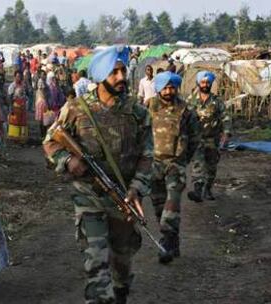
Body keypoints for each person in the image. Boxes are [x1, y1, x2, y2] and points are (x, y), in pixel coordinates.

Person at [44, 46, 153, 304]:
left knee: (122, 261)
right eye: (114, 72)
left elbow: (148, 156)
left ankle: (121, 289)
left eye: (123, 70)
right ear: (100, 75)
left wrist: (136, 188)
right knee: (96, 260)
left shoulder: (137, 113)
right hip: (89, 197)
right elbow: (50, 142)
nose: (121, 77)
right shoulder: (76, 109)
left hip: (123, 198)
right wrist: (68, 160)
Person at [147, 71, 200, 264]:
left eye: (172, 87)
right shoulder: (149, 106)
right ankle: (174, 240)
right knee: (159, 206)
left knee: (172, 204)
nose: (169, 91)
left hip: (175, 165)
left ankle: (166, 242)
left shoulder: (186, 110)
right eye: (165, 87)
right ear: (159, 88)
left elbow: (195, 137)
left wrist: (184, 158)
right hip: (154, 164)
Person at [187, 71, 232, 202]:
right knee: (198, 163)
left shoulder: (217, 101)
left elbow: (226, 117)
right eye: (203, 82)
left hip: (213, 139)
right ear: (198, 83)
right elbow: (185, 118)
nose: (205, 85)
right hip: (196, 138)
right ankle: (197, 190)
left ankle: (207, 189)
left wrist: (226, 133)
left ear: (211, 84)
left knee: (211, 167)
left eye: (207, 82)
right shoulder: (191, 100)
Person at [35, 70, 50, 138]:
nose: (44, 76)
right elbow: (43, 92)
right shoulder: (41, 81)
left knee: (43, 118)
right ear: (40, 75)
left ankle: (43, 134)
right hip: (41, 101)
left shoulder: (43, 81)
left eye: (45, 74)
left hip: (42, 101)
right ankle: (42, 134)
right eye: (43, 74)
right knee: (42, 119)